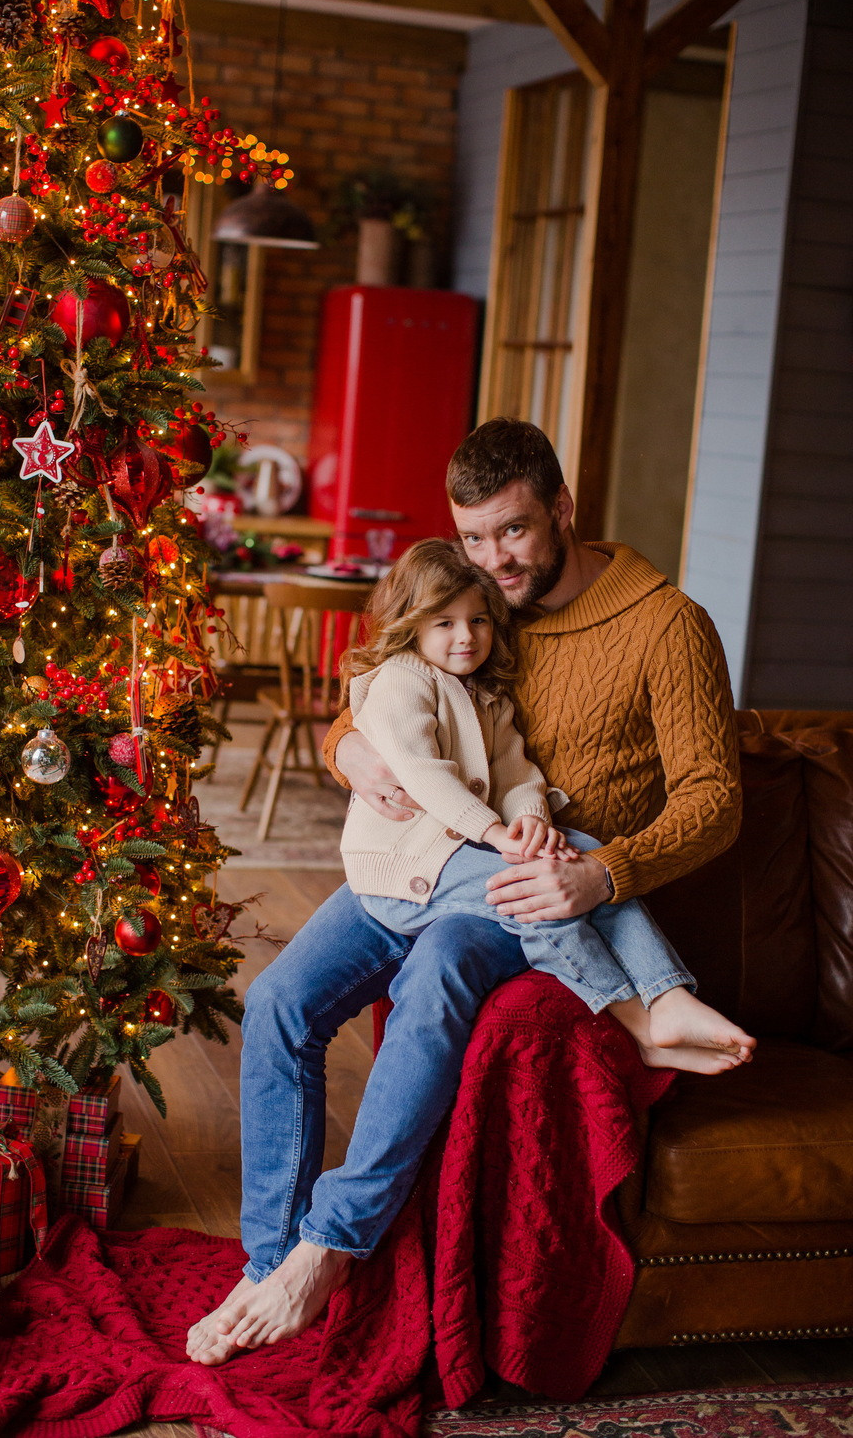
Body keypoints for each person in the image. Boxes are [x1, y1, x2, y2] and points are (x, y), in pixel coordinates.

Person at [187, 418, 746, 1367]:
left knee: (442, 970)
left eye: (515, 533)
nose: (494, 563)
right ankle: (266, 1258)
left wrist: (602, 873)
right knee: (280, 999)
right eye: (474, 538)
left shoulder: (666, 624)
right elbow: (386, 701)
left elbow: (717, 800)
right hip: (409, 862)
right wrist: (348, 749)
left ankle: (330, 1247)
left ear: (563, 509)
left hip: (532, 890)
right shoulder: (472, 606)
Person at [340, 535, 753, 1067]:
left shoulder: (483, 690)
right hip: (405, 863)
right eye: (445, 623)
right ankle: (641, 1027)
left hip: (456, 850)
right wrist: (494, 834)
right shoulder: (402, 679)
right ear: (412, 624)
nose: (466, 636)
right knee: (535, 890)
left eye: (480, 621)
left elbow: (516, 769)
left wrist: (532, 820)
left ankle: (668, 993)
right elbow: (423, 773)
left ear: (561, 509)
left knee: (579, 852)